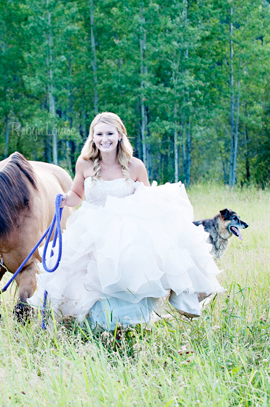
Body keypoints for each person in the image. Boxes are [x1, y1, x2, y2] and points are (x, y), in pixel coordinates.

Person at [29, 112, 223, 329]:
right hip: (92, 227)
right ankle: (95, 327)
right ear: (92, 137)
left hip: (125, 232)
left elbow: (147, 199)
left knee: (127, 274)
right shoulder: (84, 164)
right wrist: (64, 199)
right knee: (85, 277)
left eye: (110, 133)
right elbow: (77, 195)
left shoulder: (135, 166)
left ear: (120, 135)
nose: (105, 139)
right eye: (99, 134)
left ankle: (128, 324)